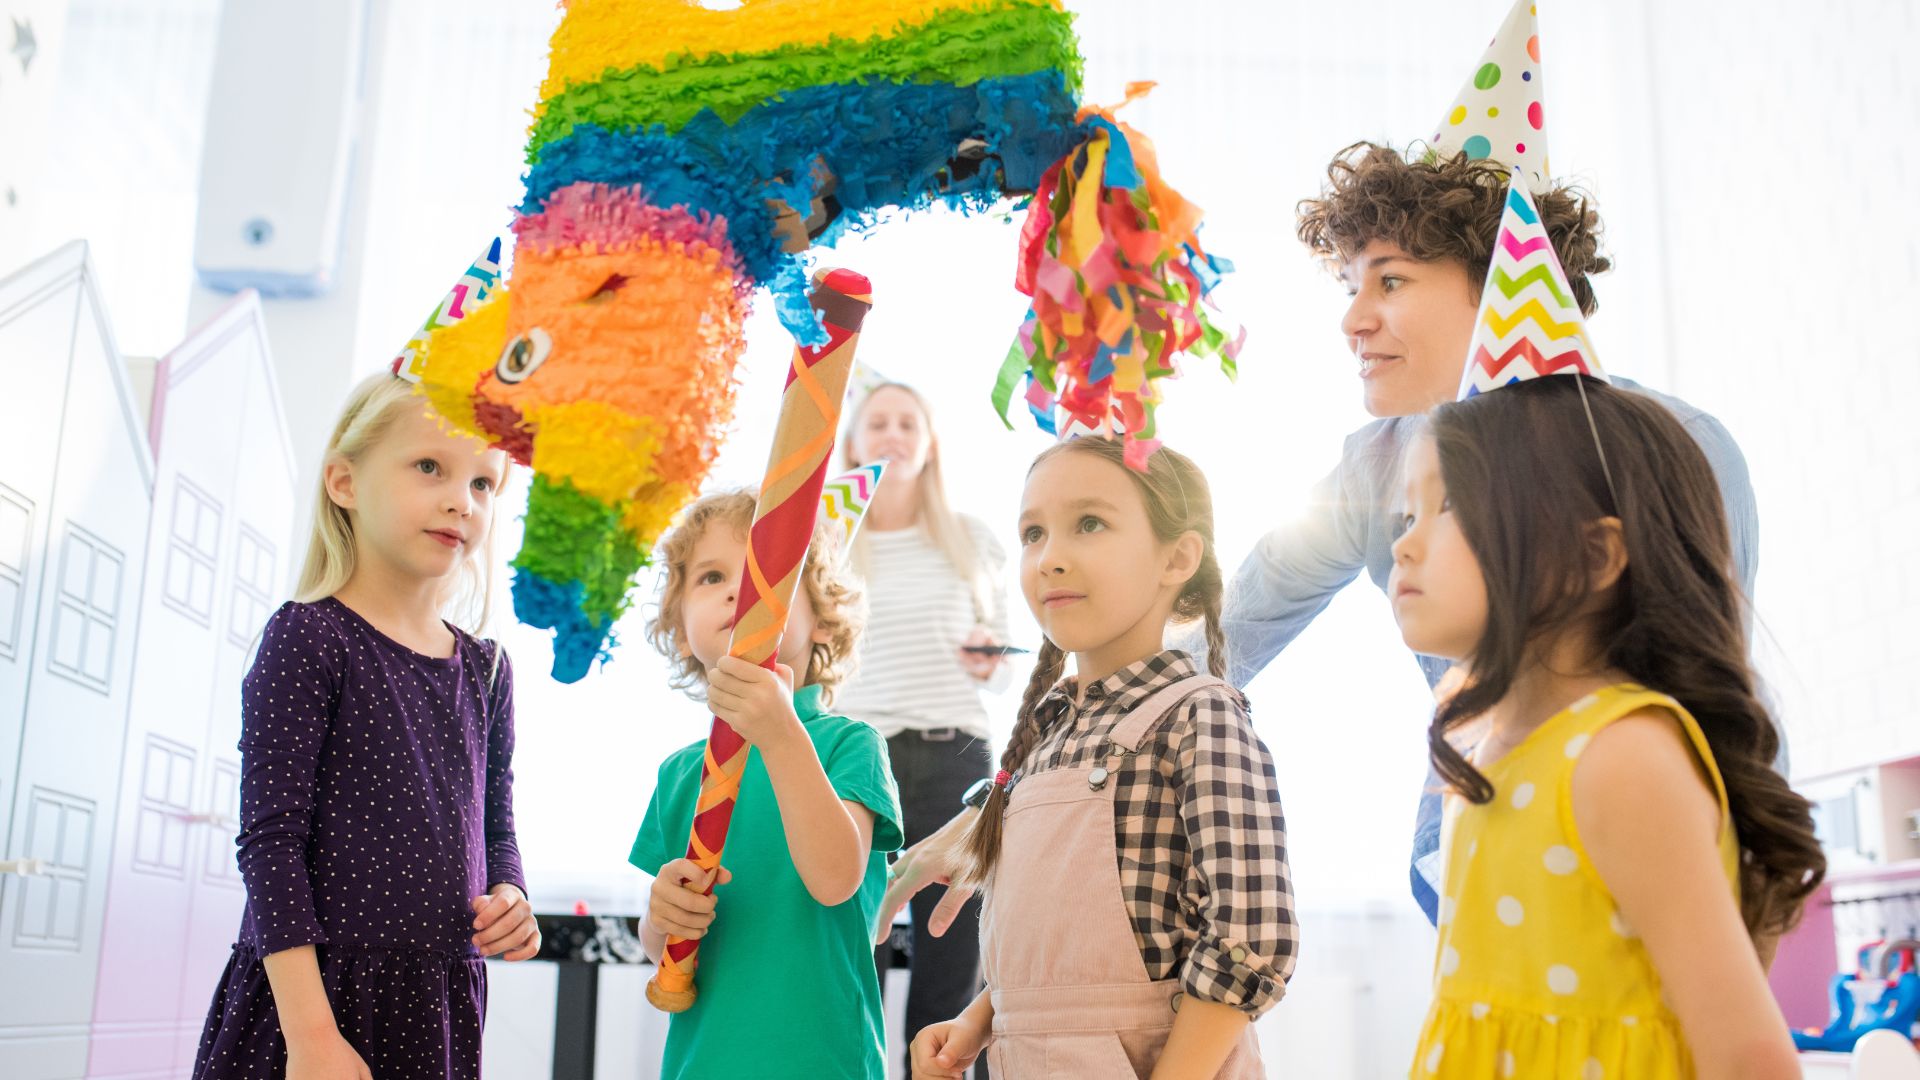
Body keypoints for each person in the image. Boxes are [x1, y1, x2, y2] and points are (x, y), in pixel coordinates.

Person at [1393, 374, 1820, 1077]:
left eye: (1450, 506)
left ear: (1592, 556)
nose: (1406, 546)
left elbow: (1748, 1054)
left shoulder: (1620, 758)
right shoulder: (1486, 750)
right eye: (1406, 516)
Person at [912, 437, 1294, 1079]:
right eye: (1033, 533)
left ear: (1178, 557)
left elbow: (1251, 941)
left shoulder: (1200, 717)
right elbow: (1062, 965)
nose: (1050, 557)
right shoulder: (1044, 733)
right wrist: (978, 1023)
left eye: (1089, 523)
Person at [192, 374, 537, 1080]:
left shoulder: (489, 669)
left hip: (436, 1004)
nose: (459, 500)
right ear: (344, 483)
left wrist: (513, 894)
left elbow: (496, 827)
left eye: (484, 484)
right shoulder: (310, 638)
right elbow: (270, 842)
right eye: (430, 467)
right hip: (314, 999)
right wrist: (311, 1034)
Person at [631, 489, 904, 1079]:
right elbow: (663, 949)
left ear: (824, 619)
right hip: (701, 1063)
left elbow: (835, 881)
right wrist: (661, 912)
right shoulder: (679, 774)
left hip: (822, 1061)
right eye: (710, 577)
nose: (740, 589)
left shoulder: (847, 745)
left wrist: (779, 735)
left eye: (769, 572)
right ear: (682, 631)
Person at [833, 381, 1012, 1073]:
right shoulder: (833, 540)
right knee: (856, 951)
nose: (893, 434)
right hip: (856, 763)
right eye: (878, 422)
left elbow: (999, 668)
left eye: (909, 423)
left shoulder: (973, 539)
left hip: (954, 760)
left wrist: (985, 655)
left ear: (929, 443)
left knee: (952, 958)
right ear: (854, 442)